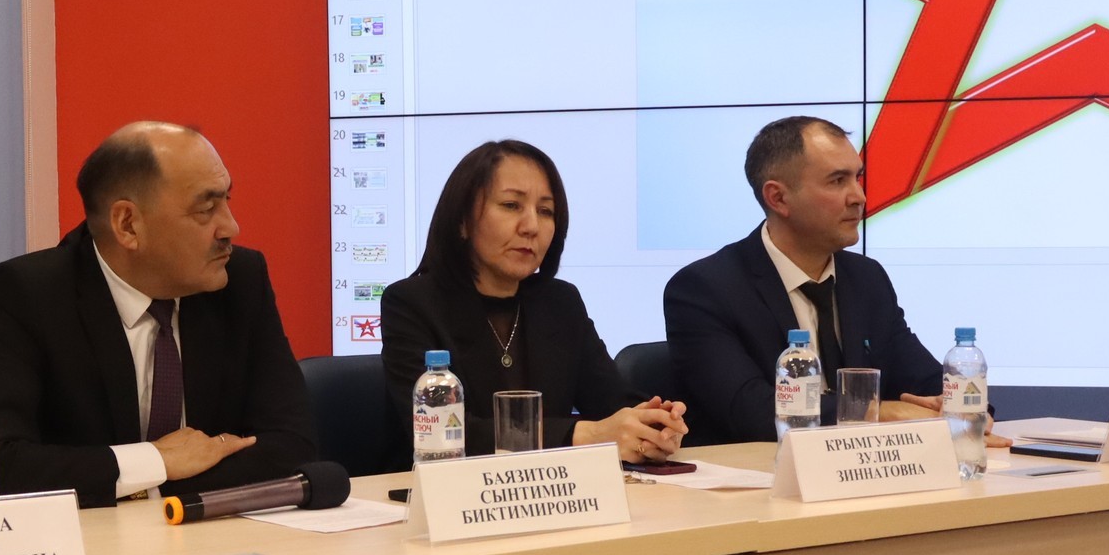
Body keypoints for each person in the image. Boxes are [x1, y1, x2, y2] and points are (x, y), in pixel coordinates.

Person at [0, 120, 315, 507]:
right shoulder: (29, 294)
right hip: (88, 538)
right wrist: (156, 462)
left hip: (209, 533)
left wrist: (145, 486)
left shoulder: (240, 281)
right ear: (128, 224)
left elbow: (293, 446)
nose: (231, 227)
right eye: (206, 209)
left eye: (227, 200)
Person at [664, 115, 1004, 446]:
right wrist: (878, 412)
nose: (859, 197)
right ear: (778, 198)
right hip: (756, 475)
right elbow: (751, 412)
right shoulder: (705, 289)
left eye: (858, 177)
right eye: (837, 181)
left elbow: (925, 377)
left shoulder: (866, 278)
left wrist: (962, 408)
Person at [380, 139, 688, 459]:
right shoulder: (411, 304)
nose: (531, 227)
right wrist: (585, 434)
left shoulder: (559, 302)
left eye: (545, 211)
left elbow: (610, 401)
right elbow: (444, 434)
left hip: (552, 486)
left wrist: (654, 422)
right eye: (511, 205)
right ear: (462, 221)